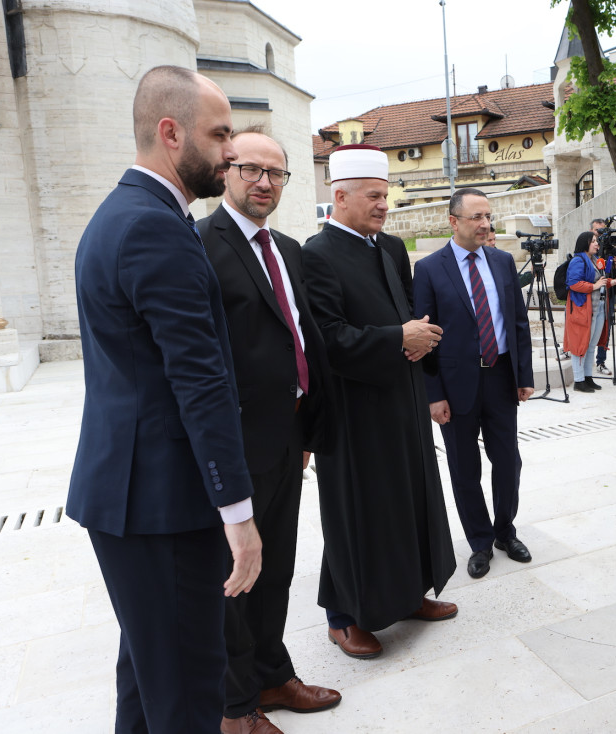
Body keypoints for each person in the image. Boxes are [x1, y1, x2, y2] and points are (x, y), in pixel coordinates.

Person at [66, 65, 262, 734]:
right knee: (183, 696)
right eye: (221, 134)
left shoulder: (121, 213)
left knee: (148, 682)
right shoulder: (153, 227)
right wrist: (238, 513)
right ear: (170, 133)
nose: (232, 151)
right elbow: (198, 379)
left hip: (128, 501)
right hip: (162, 508)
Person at [200, 128, 340, 733]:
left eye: (275, 173)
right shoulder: (200, 244)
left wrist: (308, 425)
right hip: (234, 442)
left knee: (278, 564)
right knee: (237, 576)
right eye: (250, 170)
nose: (263, 182)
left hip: (288, 435)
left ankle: (272, 674)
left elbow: (300, 334)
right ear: (226, 172)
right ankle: (236, 708)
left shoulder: (288, 248)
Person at [302, 144, 457, 661]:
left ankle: (409, 593)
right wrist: (399, 337)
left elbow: (406, 313)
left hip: (403, 401)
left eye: (385, 196)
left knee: (408, 500)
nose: (382, 205)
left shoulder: (389, 249)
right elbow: (327, 339)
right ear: (339, 196)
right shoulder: (315, 255)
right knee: (358, 512)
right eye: (373, 196)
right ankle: (342, 618)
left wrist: (420, 339)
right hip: (355, 413)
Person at [413, 188, 535, 579]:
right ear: (454, 221)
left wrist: (524, 377)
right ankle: (479, 542)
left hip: (500, 377)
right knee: (464, 470)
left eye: (488, 217)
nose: (485, 224)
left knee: (508, 463)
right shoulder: (430, 269)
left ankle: (505, 531)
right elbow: (425, 337)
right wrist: (434, 395)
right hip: (456, 385)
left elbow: (517, 324)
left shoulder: (501, 262)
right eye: (476, 217)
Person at [565, 231, 616, 392]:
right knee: (580, 345)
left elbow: (599, 281)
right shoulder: (578, 261)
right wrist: (594, 287)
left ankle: (587, 377)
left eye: (597, 241)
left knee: (591, 345)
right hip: (583, 310)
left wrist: (613, 281)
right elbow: (573, 283)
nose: (597, 244)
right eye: (594, 241)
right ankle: (578, 380)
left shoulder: (595, 260)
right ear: (585, 243)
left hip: (598, 309)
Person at [590, 218, 616, 376]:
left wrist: (615, 267)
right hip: (590, 295)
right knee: (588, 326)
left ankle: (600, 361)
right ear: (591, 232)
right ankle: (582, 357)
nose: (601, 235)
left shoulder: (612, 250)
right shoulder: (588, 251)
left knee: (606, 327)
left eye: (603, 231)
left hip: (608, 295)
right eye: (598, 231)